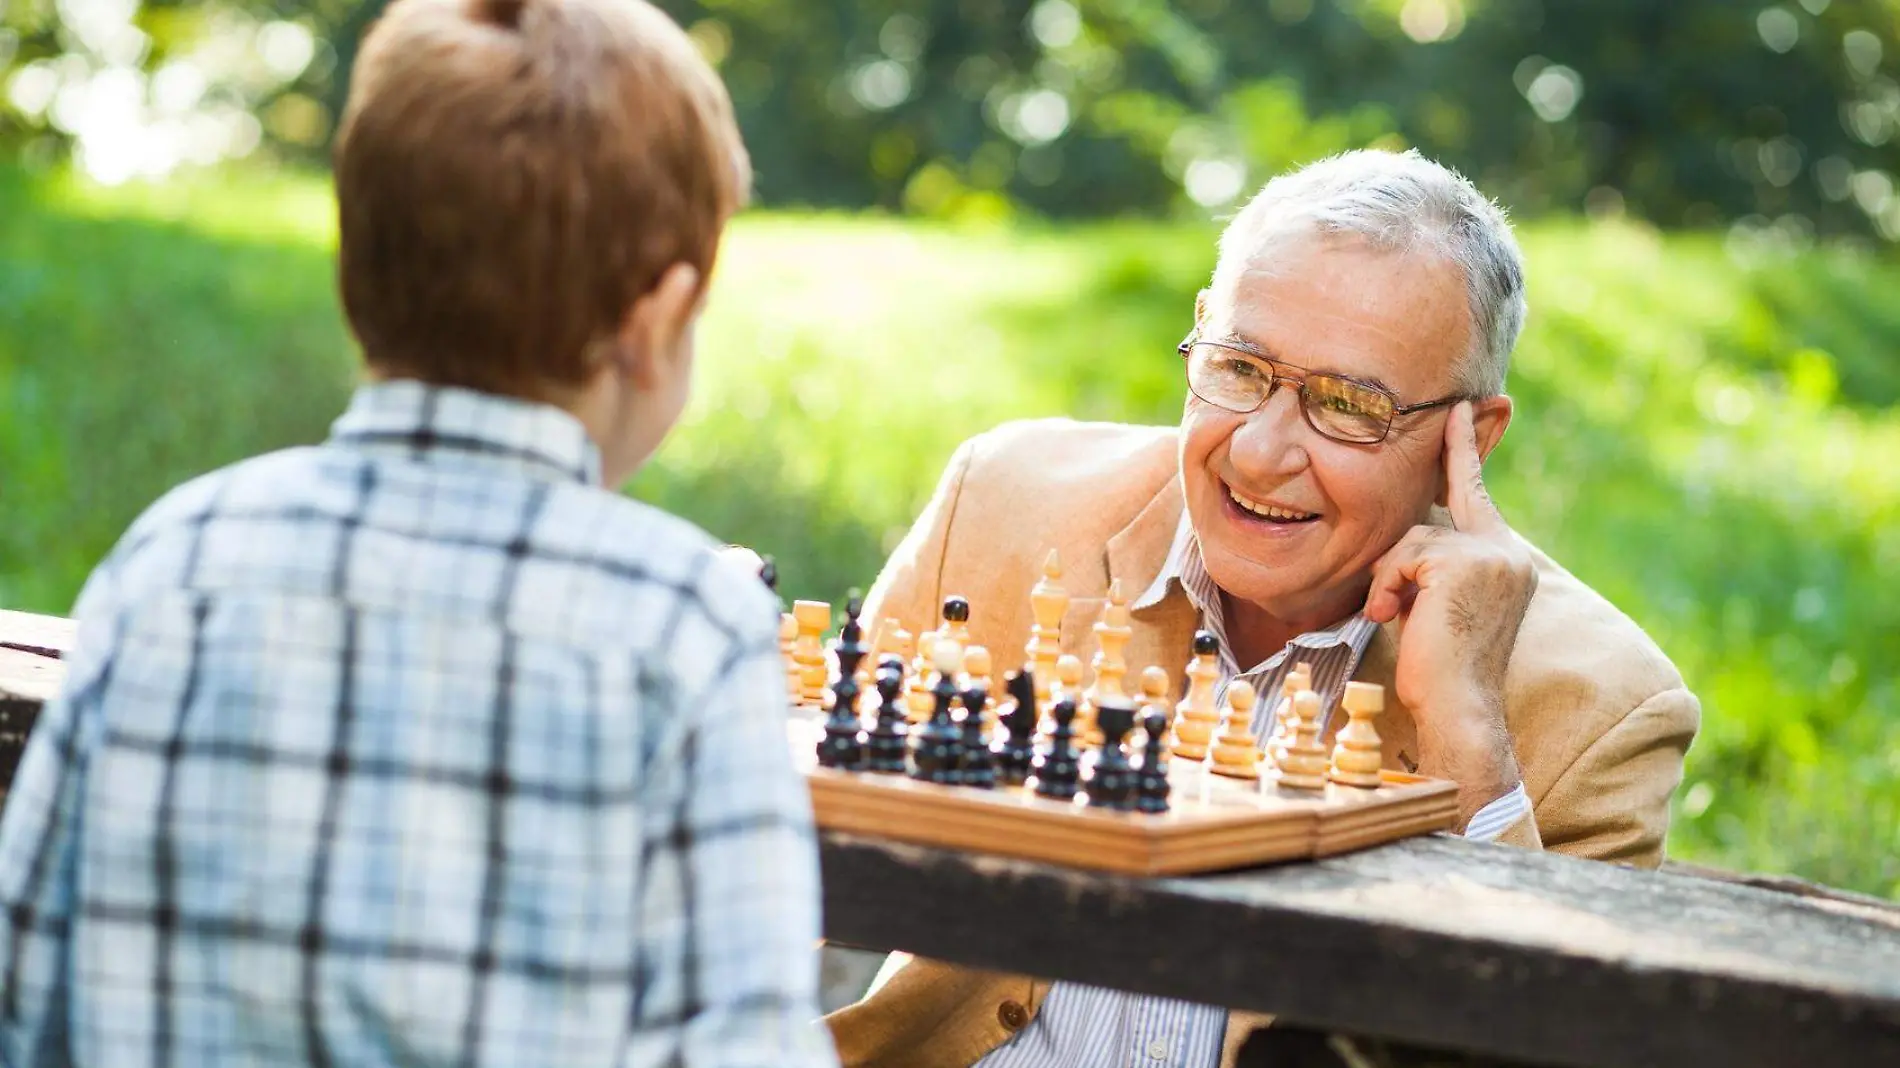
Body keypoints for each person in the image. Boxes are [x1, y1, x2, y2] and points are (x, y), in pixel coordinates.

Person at [0, 0, 837, 1065]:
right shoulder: (687, 630)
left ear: (359, 269)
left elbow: (27, 999)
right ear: (655, 323)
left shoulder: (171, 562)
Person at [823, 149, 1700, 1068]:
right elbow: (777, 861)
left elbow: (1538, 1046)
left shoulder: (1606, 710)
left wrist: (1466, 723)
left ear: (1470, 439)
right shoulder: (1005, 504)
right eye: (1240, 367)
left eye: (1346, 404)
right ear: (1201, 332)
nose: (1259, 452)